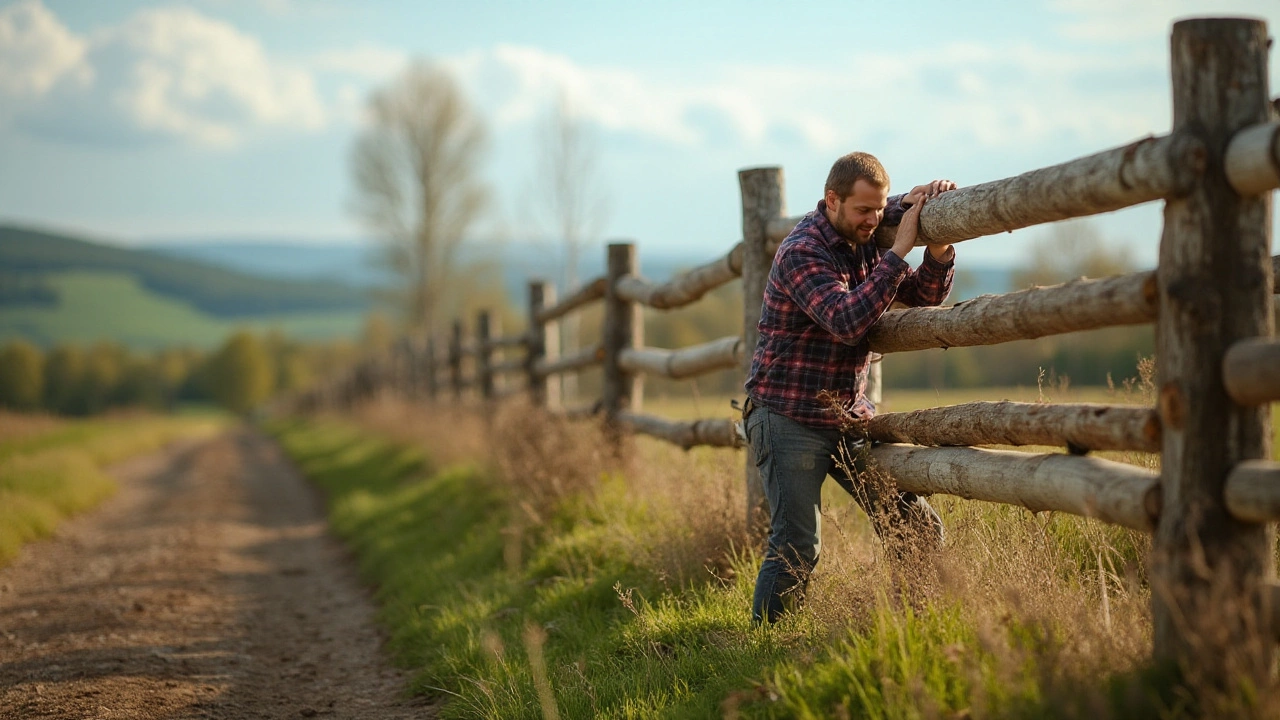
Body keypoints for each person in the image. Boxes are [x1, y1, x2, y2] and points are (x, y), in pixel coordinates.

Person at [742, 151, 957, 624]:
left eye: (879, 210)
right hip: (787, 416)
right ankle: (763, 647)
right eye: (864, 211)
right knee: (797, 544)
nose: (874, 220)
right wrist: (898, 251)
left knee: (916, 526)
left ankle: (911, 627)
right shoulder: (803, 251)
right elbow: (845, 320)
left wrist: (936, 245)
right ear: (831, 200)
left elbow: (922, 294)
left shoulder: (868, 227)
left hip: (845, 417)